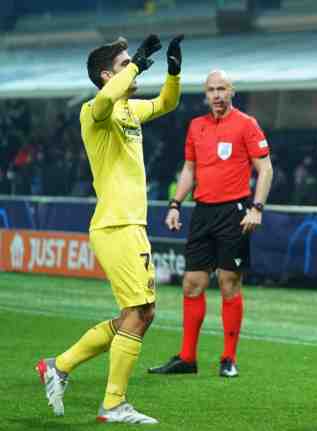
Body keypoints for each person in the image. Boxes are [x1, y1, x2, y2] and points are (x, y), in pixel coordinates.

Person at [36, 33, 183, 424]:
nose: (133, 68)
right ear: (106, 75)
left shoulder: (130, 110)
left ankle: (58, 365)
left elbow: (167, 103)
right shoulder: (94, 111)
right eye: (123, 65)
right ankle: (113, 404)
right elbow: (104, 101)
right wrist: (136, 66)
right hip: (116, 224)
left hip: (130, 223)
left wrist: (173, 73)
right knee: (141, 312)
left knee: (136, 314)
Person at [148, 70, 273, 378]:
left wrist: (257, 208)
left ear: (232, 91)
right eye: (211, 90)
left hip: (234, 212)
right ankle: (187, 358)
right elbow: (189, 169)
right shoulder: (196, 126)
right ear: (205, 95)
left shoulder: (247, 124)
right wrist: (175, 204)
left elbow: (266, 169)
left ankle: (228, 358)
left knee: (229, 283)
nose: (216, 95)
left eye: (221, 89)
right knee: (192, 283)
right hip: (202, 212)